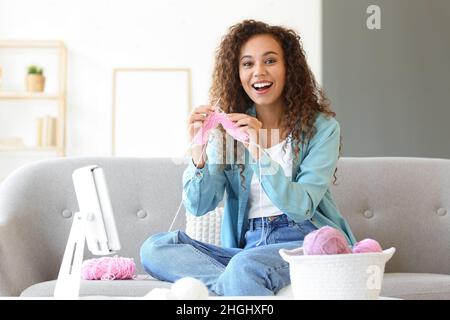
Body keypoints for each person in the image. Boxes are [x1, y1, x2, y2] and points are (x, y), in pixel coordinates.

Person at [140, 19, 356, 296]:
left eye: (270, 61)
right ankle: (234, 285)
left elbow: (301, 206)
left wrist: (258, 150)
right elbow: (199, 205)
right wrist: (199, 150)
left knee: (244, 266)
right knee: (155, 248)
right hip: (247, 248)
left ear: (289, 68)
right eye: (247, 64)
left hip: (304, 242)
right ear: (237, 73)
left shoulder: (321, 128)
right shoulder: (229, 132)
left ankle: (235, 283)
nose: (258, 72)